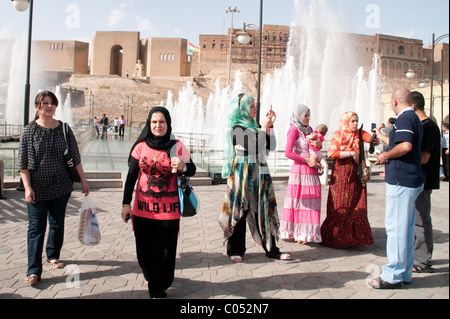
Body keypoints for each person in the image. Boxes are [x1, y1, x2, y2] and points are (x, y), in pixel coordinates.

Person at [121, 106, 196, 299]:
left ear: (168, 124)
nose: (158, 125)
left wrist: (182, 166)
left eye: (162, 122)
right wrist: (125, 204)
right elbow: (131, 177)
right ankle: (150, 275)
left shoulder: (177, 145)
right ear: (149, 123)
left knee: (165, 251)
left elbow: (192, 169)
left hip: (169, 210)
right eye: (154, 122)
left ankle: (158, 287)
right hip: (142, 209)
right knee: (143, 251)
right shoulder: (140, 147)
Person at [18, 91, 90, 285]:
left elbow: (75, 157)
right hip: (37, 188)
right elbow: (23, 163)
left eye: (52, 103)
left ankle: (53, 255)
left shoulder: (64, 129)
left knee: (57, 223)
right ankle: (33, 270)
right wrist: (27, 188)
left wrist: (83, 179)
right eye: (44, 103)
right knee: (36, 228)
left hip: (61, 186)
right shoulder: (29, 131)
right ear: (37, 107)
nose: (48, 106)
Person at [219, 93, 290, 263]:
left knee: (265, 208)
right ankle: (235, 249)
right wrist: (264, 128)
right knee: (240, 210)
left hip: (260, 173)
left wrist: (270, 127)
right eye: (251, 106)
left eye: (254, 106)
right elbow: (253, 147)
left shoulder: (255, 125)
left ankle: (272, 249)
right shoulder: (237, 128)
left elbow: (271, 146)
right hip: (242, 175)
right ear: (241, 108)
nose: (255, 109)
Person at [369, 88, 425, 289]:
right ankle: (405, 272)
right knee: (406, 228)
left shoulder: (404, 118)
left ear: (394, 101)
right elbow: (399, 142)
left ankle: (392, 275)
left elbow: (405, 146)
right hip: (410, 180)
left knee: (396, 229)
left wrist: (385, 156)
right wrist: (381, 138)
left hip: (402, 181)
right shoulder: (413, 118)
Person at [320, 111, 375, 249]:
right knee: (341, 203)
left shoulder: (360, 133)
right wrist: (351, 153)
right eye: (352, 121)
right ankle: (336, 237)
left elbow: (372, 139)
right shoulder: (338, 134)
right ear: (346, 122)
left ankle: (354, 238)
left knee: (356, 203)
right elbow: (332, 152)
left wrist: (376, 137)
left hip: (355, 174)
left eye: (357, 121)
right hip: (341, 174)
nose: (355, 124)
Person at [280, 105, 323, 244]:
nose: (309, 118)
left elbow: (313, 149)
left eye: (309, 115)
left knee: (310, 203)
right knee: (299, 202)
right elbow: (288, 152)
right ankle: (296, 232)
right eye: (306, 116)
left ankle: (306, 232)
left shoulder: (309, 130)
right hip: (299, 171)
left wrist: (317, 161)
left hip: (311, 172)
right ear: (299, 116)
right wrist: (306, 160)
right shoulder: (293, 130)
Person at [411, 91, 440, 273]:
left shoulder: (428, 127)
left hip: (423, 180)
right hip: (418, 180)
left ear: (413, 106)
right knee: (417, 220)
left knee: (421, 220)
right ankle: (418, 257)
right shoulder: (423, 125)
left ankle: (423, 261)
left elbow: (424, 157)